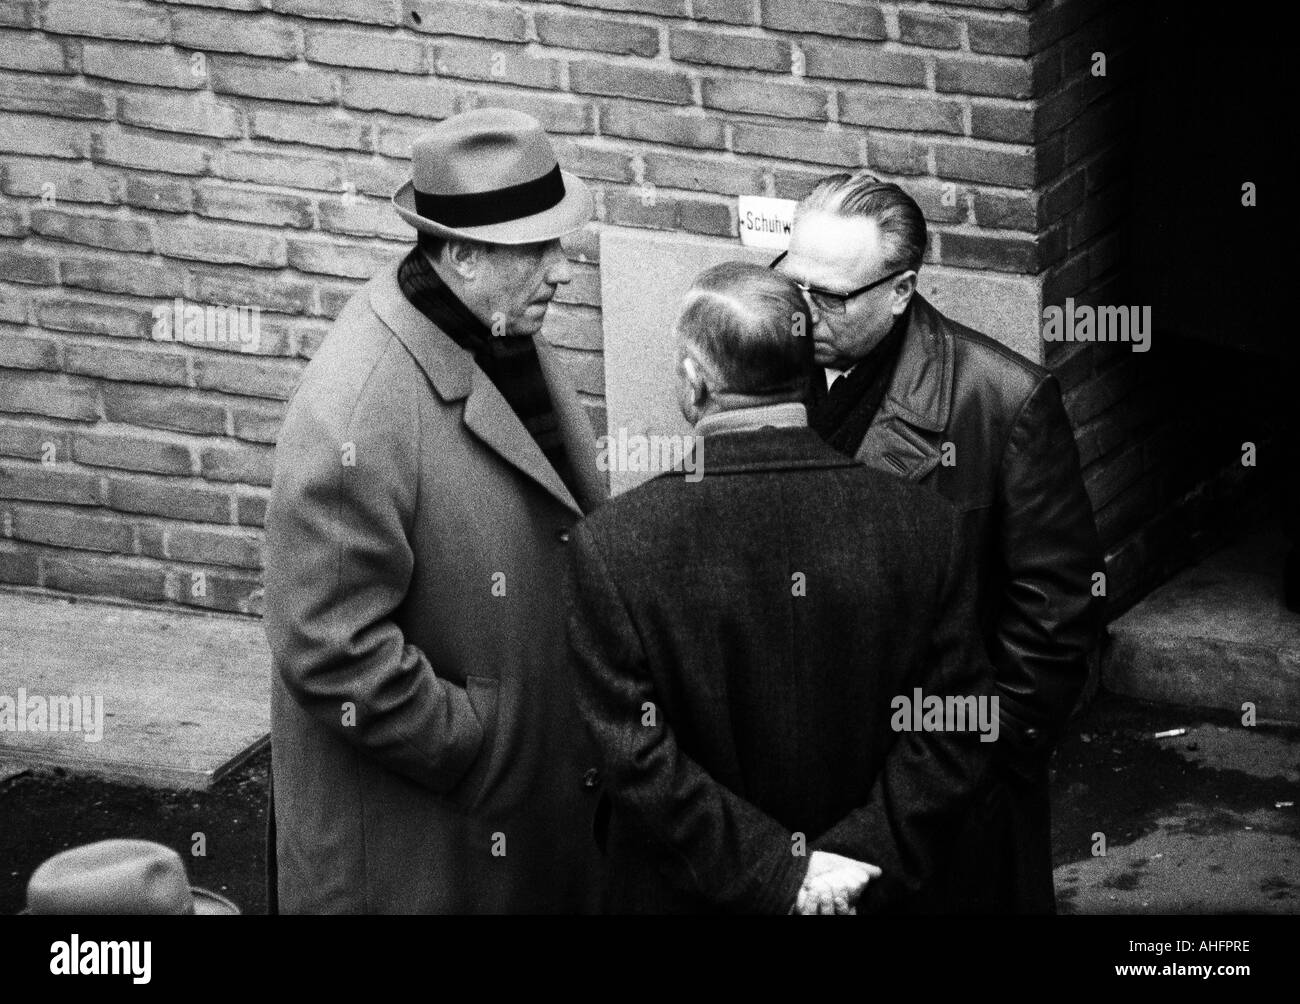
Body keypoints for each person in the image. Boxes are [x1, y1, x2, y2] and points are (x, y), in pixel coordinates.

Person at [567, 262, 996, 914]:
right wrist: (849, 864)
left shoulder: (614, 546)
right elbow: (957, 726)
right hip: (877, 895)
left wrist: (779, 873)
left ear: (694, 380)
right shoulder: (929, 529)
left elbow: (637, 758)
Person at [264, 109, 607, 913]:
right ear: (460, 254)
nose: (562, 270)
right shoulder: (354, 412)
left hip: (503, 823)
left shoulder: (494, 325)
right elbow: (327, 647)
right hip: (423, 849)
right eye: (536, 249)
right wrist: (477, 741)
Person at [775, 171, 1104, 913]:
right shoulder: (764, 366)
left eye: (829, 297)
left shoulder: (1002, 400)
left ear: (901, 290)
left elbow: (1056, 616)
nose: (802, 312)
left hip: (945, 796)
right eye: (793, 283)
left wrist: (977, 763)